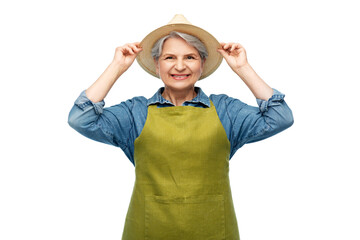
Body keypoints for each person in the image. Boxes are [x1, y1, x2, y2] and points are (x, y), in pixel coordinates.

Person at [68, 14, 293, 240]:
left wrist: (242, 68)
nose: (180, 66)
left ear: (202, 64)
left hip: (214, 231)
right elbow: (81, 118)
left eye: (190, 57)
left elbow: (280, 116)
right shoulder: (135, 112)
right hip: (149, 231)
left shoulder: (226, 111)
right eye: (169, 57)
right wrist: (117, 67)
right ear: (157, 65)